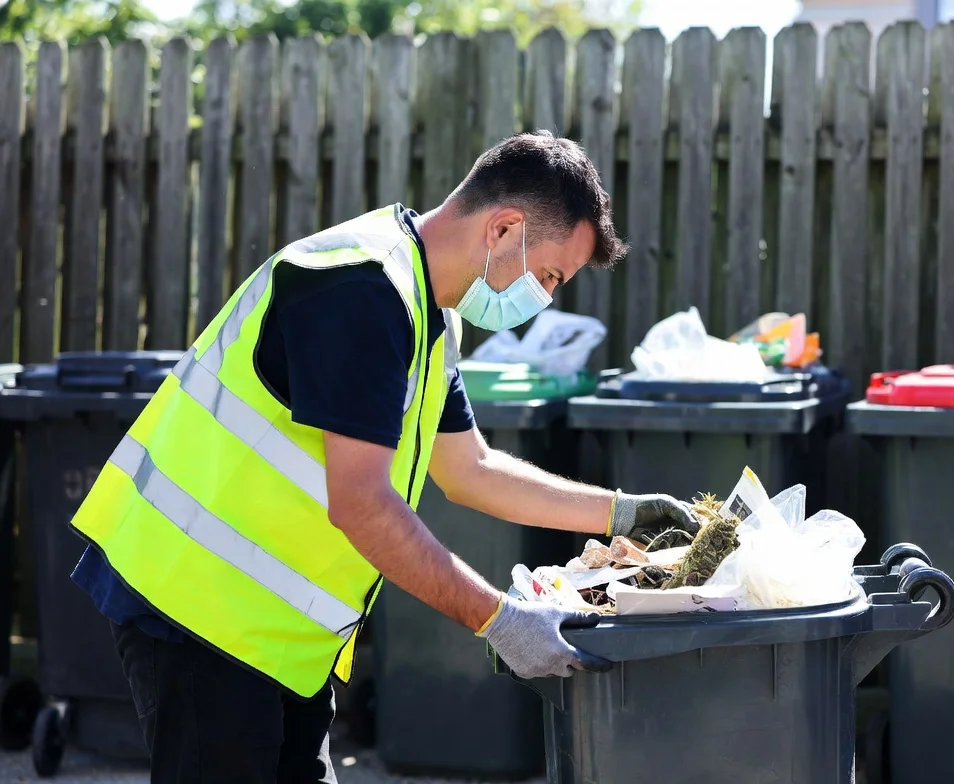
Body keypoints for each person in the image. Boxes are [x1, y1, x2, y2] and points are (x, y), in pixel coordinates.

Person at [68, 129, 699, 783]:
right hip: (197, 608)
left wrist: (622, 514)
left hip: (275, 635)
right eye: (548, 275)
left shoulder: (428, 312)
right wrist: (500, 620)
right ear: (505, 227)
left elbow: (469, 470)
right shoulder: (363, 288)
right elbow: (362, 504)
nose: (543, 297)